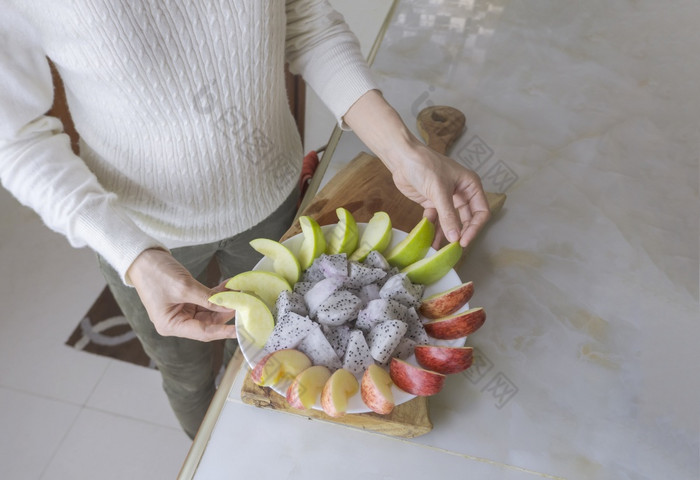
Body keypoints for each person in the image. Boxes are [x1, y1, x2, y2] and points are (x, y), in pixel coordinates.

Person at [0, 1, 490, 439]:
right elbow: (14, 138)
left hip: (273, 201)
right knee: (185, 372)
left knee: (290, 357)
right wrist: (136, 258)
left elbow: (304, 21)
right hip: (137, 236)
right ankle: (204, 445)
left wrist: (401, 150)